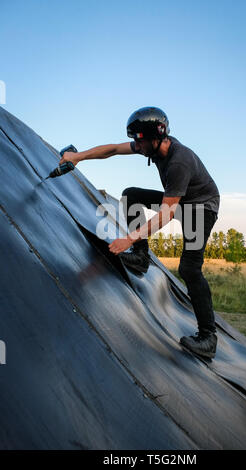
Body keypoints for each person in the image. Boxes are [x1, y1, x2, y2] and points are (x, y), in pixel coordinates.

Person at [59, 106, 220, 358]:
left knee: (189, 268)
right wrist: (78, 157)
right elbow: (112, 150)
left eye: (139, 140)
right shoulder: (152, 144)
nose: (136, 145)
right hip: (180, 201)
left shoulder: (179, 161)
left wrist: (129, 238)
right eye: (135, 140)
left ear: (155, 138)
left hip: (201, 208)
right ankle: (141, 257)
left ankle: (208, 337)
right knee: (131, 195)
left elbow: (167, 213)